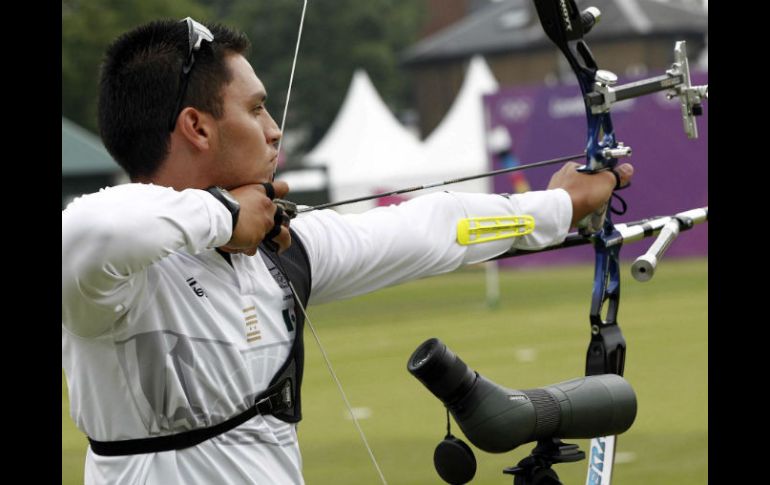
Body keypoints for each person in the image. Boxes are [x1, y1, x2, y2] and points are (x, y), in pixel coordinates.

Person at [61, 17, 633, 485]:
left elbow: (429, 228)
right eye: (255, 109)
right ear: (197, 127)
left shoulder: (278, 249)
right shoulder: (108, 280)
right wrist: (226, 216)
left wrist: (557, 208)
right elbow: (91, 229)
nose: (275, 128)